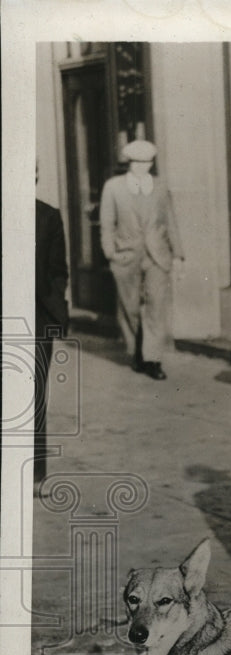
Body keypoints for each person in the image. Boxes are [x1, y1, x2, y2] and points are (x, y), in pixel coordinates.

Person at [100, 140, 185, 380]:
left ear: (151, 162)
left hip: (157, 256)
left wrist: (178, 255)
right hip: (126, 255)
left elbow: (170, 222)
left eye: (146, 162)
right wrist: (110, 252)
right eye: (136, 162)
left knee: (157, 306)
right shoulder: (113, 187)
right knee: (129, 307)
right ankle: (136, 350)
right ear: (129, 163)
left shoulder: (159, 187)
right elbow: (107, 224)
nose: (141, 167)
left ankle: (153, 359)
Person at [35, 179, 69, 486]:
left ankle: (34, 473)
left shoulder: (48, 216)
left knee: (34, 396)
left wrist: (53, 306)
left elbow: (58, 270)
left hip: (35, 319)